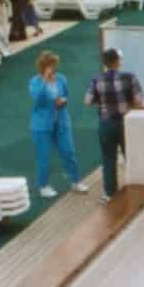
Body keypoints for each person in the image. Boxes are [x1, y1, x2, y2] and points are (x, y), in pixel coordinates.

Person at [85, 47, 144, 205]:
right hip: (126, 122)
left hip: (106, 123)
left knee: (108, 158)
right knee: (130, 156)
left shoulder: (96, 79)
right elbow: (139, 101)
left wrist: (102, 101)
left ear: (105, 63)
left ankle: (110, 193)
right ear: (117, 61)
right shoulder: (130, 77)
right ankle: (135, 188)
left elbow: (88, 100)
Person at [28, 50, 81, 197]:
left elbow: (66, 95)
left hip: (62, 122)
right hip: (41, 125)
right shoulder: (35, 82)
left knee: (69, 152)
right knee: (43, 156)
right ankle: (43, 186)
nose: (53, 68)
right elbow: (37, 98)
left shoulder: (62, 79)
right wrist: (45, 79)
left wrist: (63, 100)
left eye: (54, 65)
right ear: (43, 66)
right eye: (50, 65)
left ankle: (76, 181)